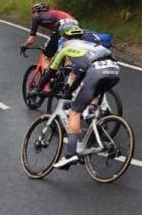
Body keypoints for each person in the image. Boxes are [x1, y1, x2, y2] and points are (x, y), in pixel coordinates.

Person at [46, 25, 122, 170]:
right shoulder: (86, 39)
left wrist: (40, 88)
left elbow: (57, 70)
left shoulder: (65, 45)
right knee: (91, 89)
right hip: (113, 67)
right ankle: (94, 112)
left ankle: (71, 155)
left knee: (74, 111)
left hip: (96, 67)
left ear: (63, 38)